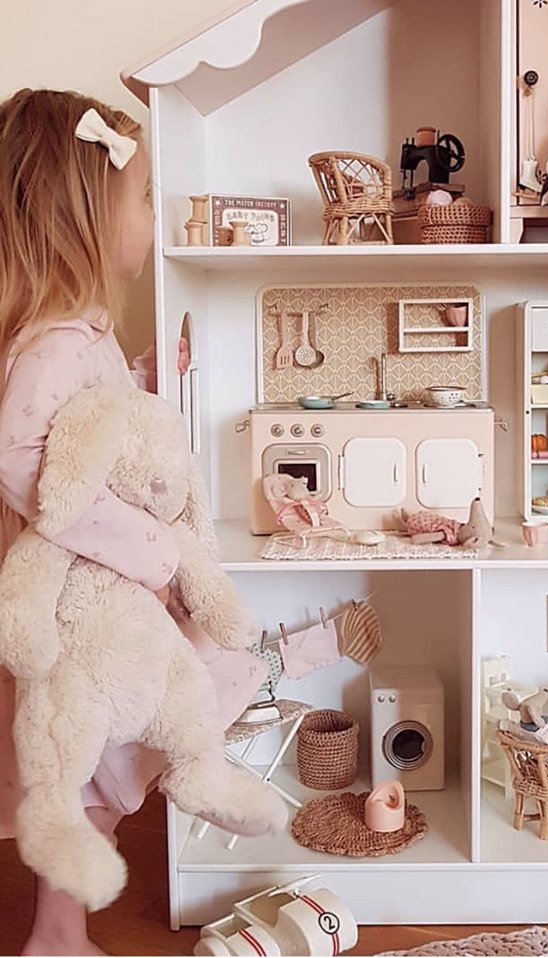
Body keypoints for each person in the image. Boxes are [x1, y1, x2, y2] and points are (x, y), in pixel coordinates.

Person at [0, 88, 266, 956]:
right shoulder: (54, 339)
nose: (154, 218)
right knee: (91, 765)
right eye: (144, 198)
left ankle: (60, 930)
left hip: (105, 598)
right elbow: (21, 458)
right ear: (85, 212)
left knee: (102, 766)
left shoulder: (81, 334)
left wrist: (147, 379)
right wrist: (154, 551)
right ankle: (55, 934)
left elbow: (91, 428)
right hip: (86, 600)